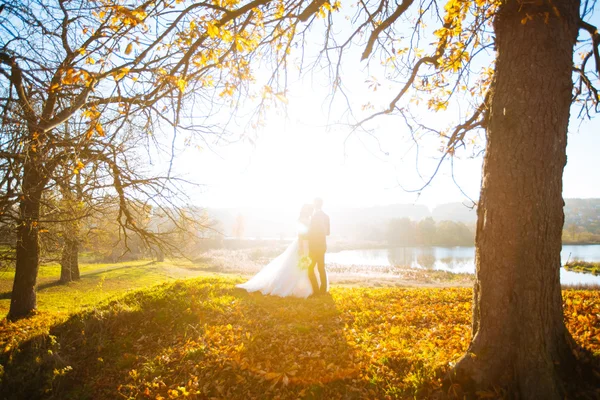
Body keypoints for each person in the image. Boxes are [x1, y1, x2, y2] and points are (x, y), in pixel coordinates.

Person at [236, 204, 314, 298]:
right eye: (309, 210)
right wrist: (301, 247)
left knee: (306, 265)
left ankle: (308, 287)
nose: (311, 211)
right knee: (297, 264)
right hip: (302, 244)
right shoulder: (302, 220)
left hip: (308, 244)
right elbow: (301, 235)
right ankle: (296, 288)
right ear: (305, 210)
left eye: (311, 210)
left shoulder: (308, 219)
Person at [307, 197, 330, 295]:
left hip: (314, 246)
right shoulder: (326, 216)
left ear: (315, 204)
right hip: (322, 245)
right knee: (321, 268)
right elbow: (328, 233)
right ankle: (323, 290)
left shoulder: (314, 216)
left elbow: (311, 232)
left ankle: (316, 290)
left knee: (310, 268)